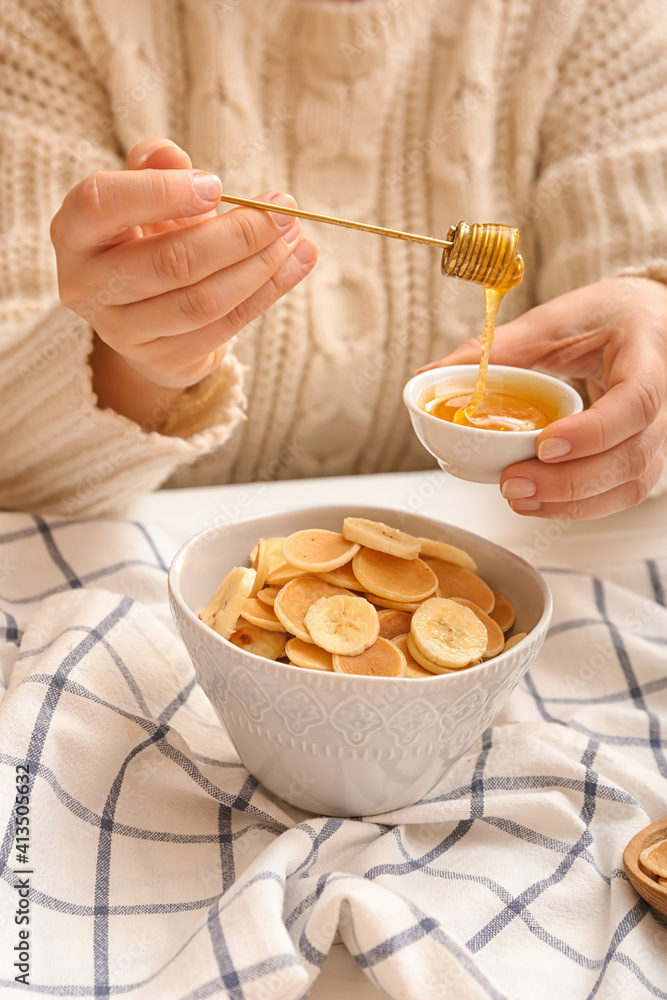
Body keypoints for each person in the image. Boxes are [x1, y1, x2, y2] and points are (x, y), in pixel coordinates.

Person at [1, 0, 666, 519]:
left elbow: (643, 281)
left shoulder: (594, 17)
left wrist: (650, 322)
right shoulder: (56, 19)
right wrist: (132, 365)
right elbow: (17, 470)